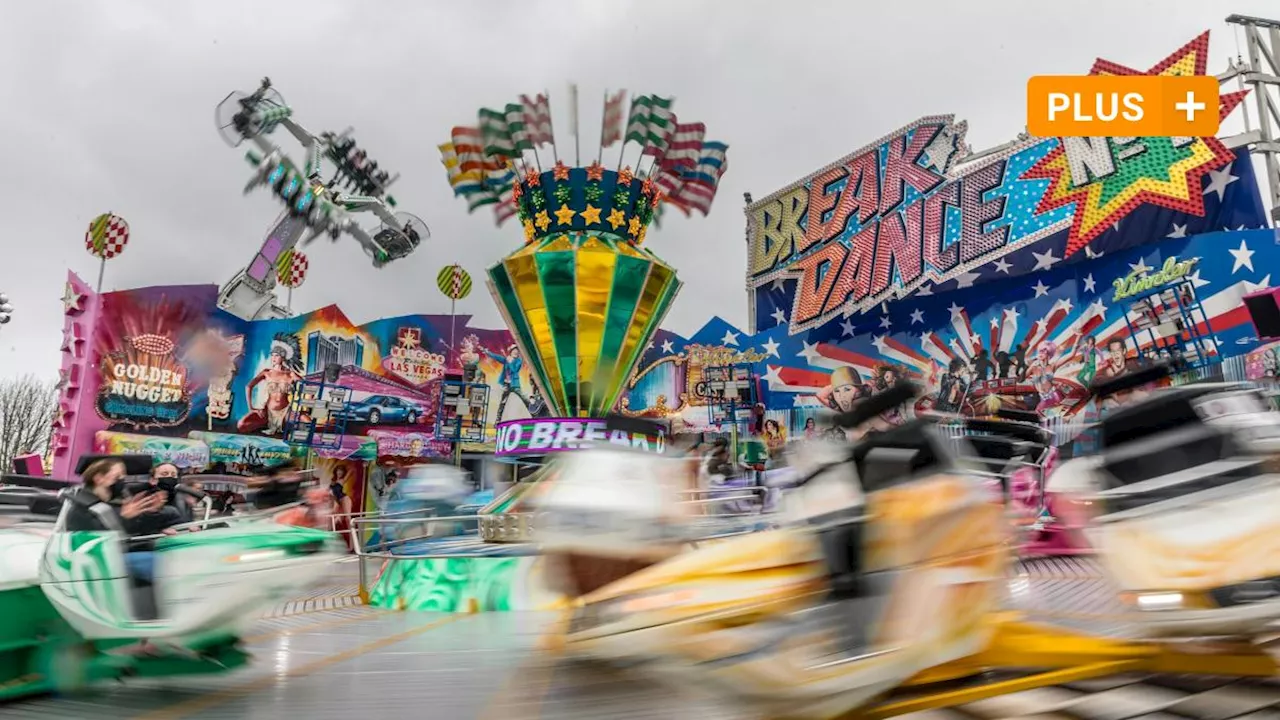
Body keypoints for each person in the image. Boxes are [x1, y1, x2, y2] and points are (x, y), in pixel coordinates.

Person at [66, 459, 168, 583]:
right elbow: (97, 541)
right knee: (161, 564)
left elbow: (131, 532)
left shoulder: (109, 504)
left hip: (114, 555)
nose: (122, 481)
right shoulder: (81, 507)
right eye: (118, 476)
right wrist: (124, 517)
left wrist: (153, 513)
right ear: (99, 478)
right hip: (97, 561)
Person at [485, 344, 529, 421]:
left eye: (517, 351)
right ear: (511, 352)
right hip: (506, 385)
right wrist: (488, 352)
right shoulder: (506, 360)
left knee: (524, 398)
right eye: (514, 351)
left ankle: (533, 411)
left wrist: (511, 362)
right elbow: (497, 357)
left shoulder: (519, 361)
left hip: (514, 385)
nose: (516, 352)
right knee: (503, 402)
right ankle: (498, 419)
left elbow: (514, 370)